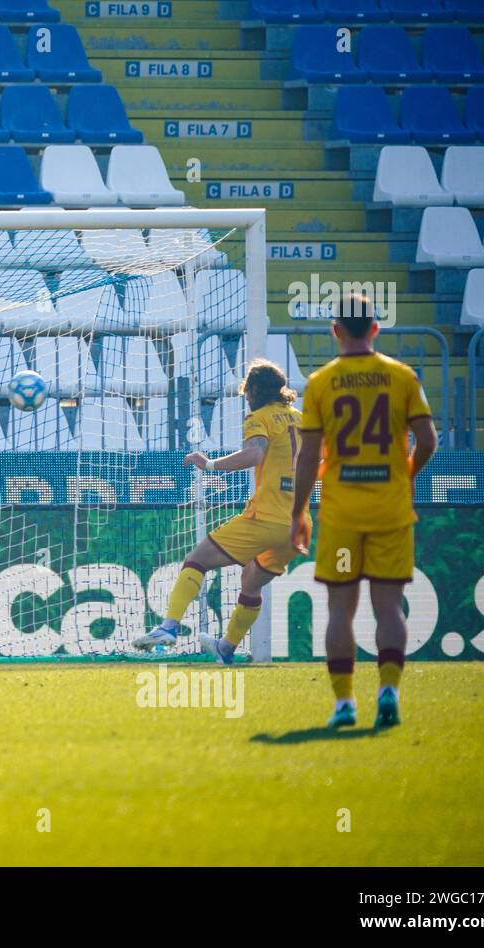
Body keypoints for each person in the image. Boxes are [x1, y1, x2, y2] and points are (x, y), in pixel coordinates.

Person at [291, 294, 438, 729]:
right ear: (375, 328)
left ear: (336, 331)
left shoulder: (321, 383)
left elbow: (308, 455)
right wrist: (405, 474)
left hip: (342, 515)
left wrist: (298, 512)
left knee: (341, 609)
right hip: (390, 512)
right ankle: (388, 691)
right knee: (389, 607)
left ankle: (344, 704)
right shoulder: (401, 377)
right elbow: (428, 441)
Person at [134, 359, 304, 664]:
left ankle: (168, 627)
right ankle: (226, 649)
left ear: (253, 390)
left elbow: (255, 453)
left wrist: (210, 464)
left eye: (247, 390)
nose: (246, 396)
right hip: (298, 525)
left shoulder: (259, 417)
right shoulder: (302, 420)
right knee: (251, 583)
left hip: (267, 517)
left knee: (197, 560)